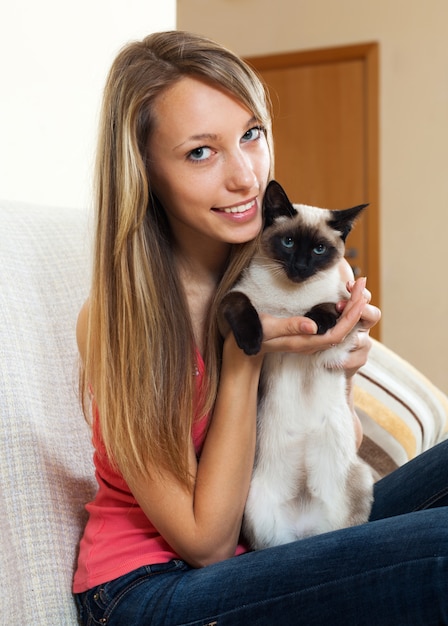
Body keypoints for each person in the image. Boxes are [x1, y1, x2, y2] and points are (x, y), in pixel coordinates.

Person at [73, 30, 448, 625]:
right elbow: (207, 544)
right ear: (143, 171)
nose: (246, 177)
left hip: (274, 543)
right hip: (152, 590)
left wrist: (334, 366)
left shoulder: (274, 266)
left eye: (251, 135)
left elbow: (329, 456)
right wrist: (246, 354)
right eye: (201, 152)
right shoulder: (120, 318)